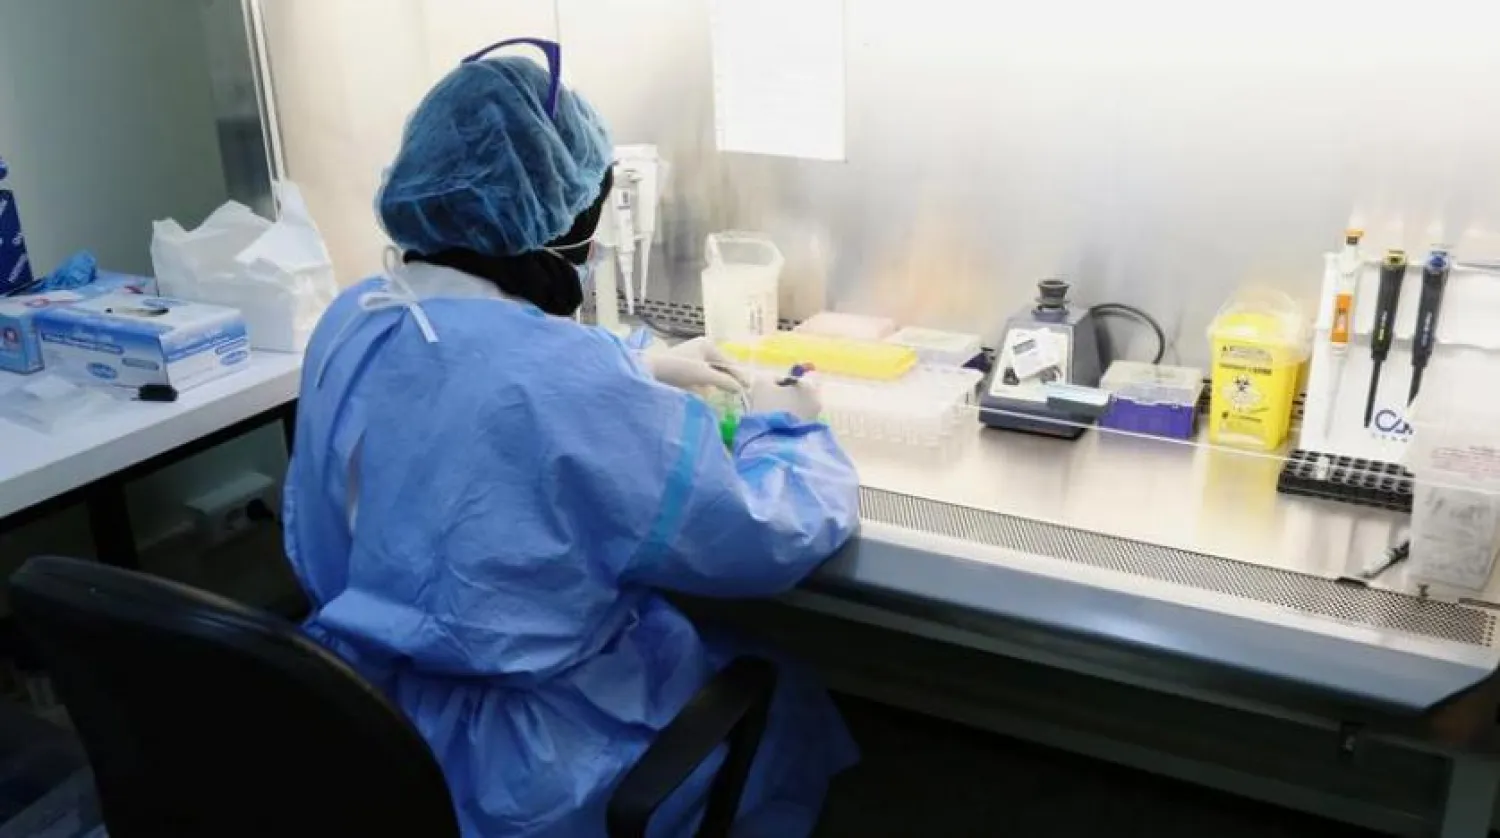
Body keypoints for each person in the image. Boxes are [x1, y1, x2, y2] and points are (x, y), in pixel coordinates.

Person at [282, 40, 861, 838]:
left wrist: (637, 363)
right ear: (550, 224)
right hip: (530, 771)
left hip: (358, 725)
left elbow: (480, 366)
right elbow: (761, 538)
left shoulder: (352, 320)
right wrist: (792, 423)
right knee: (782, 693)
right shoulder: (569, 385)